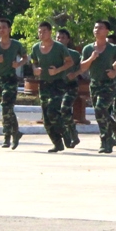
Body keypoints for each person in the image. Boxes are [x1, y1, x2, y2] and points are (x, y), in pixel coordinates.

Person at [79, 20, 116, 154]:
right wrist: (92, 58)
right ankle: (115, 127)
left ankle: (106, 140)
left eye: (100, 28)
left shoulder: (112, 49)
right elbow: (82, 67)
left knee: (100, 108)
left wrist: (115, 72)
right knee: (100, 112)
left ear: (107, 31)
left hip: (108, 84)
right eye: (95, 27)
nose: (96, 30)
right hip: (94, 84)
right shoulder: (88, 49)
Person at [0, 18, 27, 149]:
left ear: (9, 29)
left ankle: (8, 135)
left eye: (3, 27)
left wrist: (18, 63)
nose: (1, 30)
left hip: (11, 79)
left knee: (6, 105)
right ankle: (14, 133)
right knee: (6, 108)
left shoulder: (16, 45)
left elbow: (25, 57)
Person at [29, 22, 74, 153]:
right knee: (46, 117)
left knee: (53, 111)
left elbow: (69, 62)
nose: (41, 34)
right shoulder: (36, 48)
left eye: (44, 31)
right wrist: (35, 69)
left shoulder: (59, 47)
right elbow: (33, 62)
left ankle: (65, 133)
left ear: (50, 32)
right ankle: (57, 143)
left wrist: (58, 70)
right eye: (39, 31)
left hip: (57, 83)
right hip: (43, 83)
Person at [54, 29, 82, 149]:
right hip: (56, 86)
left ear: (68, 40)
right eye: (58, 38)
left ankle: (72, 133)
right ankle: (69, 134)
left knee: (65, 108)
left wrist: (75, 74)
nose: (60, 40)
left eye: (62, 38)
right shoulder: (52, 53)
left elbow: (82, 68)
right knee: (56, 113)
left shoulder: (74, 55)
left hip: (70, 86)